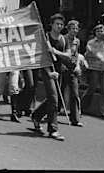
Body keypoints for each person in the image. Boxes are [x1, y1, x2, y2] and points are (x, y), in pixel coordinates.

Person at [30, 13, 69, 141]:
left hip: (59, 71)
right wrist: (48, 73)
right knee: (53, 98)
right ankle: (53, 129)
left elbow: (68, 55)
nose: (59, 26)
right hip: (47, 70)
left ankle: (36, 115)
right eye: (57, 23)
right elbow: (40, 57)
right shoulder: (44, 37)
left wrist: (55, 52)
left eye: (61, 24)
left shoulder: (64, 39)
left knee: (54, 99)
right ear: (51, 24)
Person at [81, 24, 104, 118]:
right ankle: (81, 106)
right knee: (92, 88)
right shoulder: (90, 43)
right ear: (95, 32)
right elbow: (88, 55)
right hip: (95, 68)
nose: (100, 33)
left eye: (101, 31)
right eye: (98, 31)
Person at [62, 19, 83, 126]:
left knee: (74, 93)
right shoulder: (63, 39)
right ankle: (49, 112)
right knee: (58, 92)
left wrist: (78, 66)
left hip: (72, 69)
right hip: (63, 68)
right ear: (68, 29)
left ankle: (75, 119)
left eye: (76, 28)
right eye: (73, 28)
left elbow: (77, 54)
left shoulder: (77, 41)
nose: (75, 30)